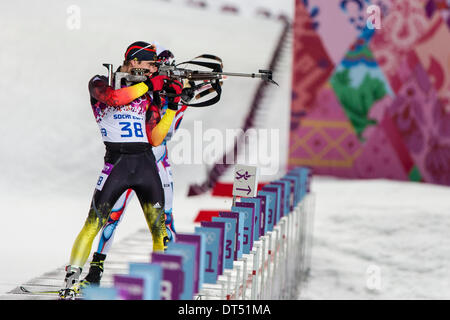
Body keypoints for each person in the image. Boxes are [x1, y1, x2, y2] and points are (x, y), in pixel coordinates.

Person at [60, 41, 183, 299]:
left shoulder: (146, 95)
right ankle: (70, 282)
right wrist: (151, 84)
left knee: (160, 230)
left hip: (145, 163)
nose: (152, 70)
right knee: (93, 224)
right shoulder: (100, 82)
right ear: (134, 61)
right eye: (150, 65)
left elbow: (156, 138)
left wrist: (172, 105)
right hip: (117, 162)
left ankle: (160, 288)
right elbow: (114, 99)